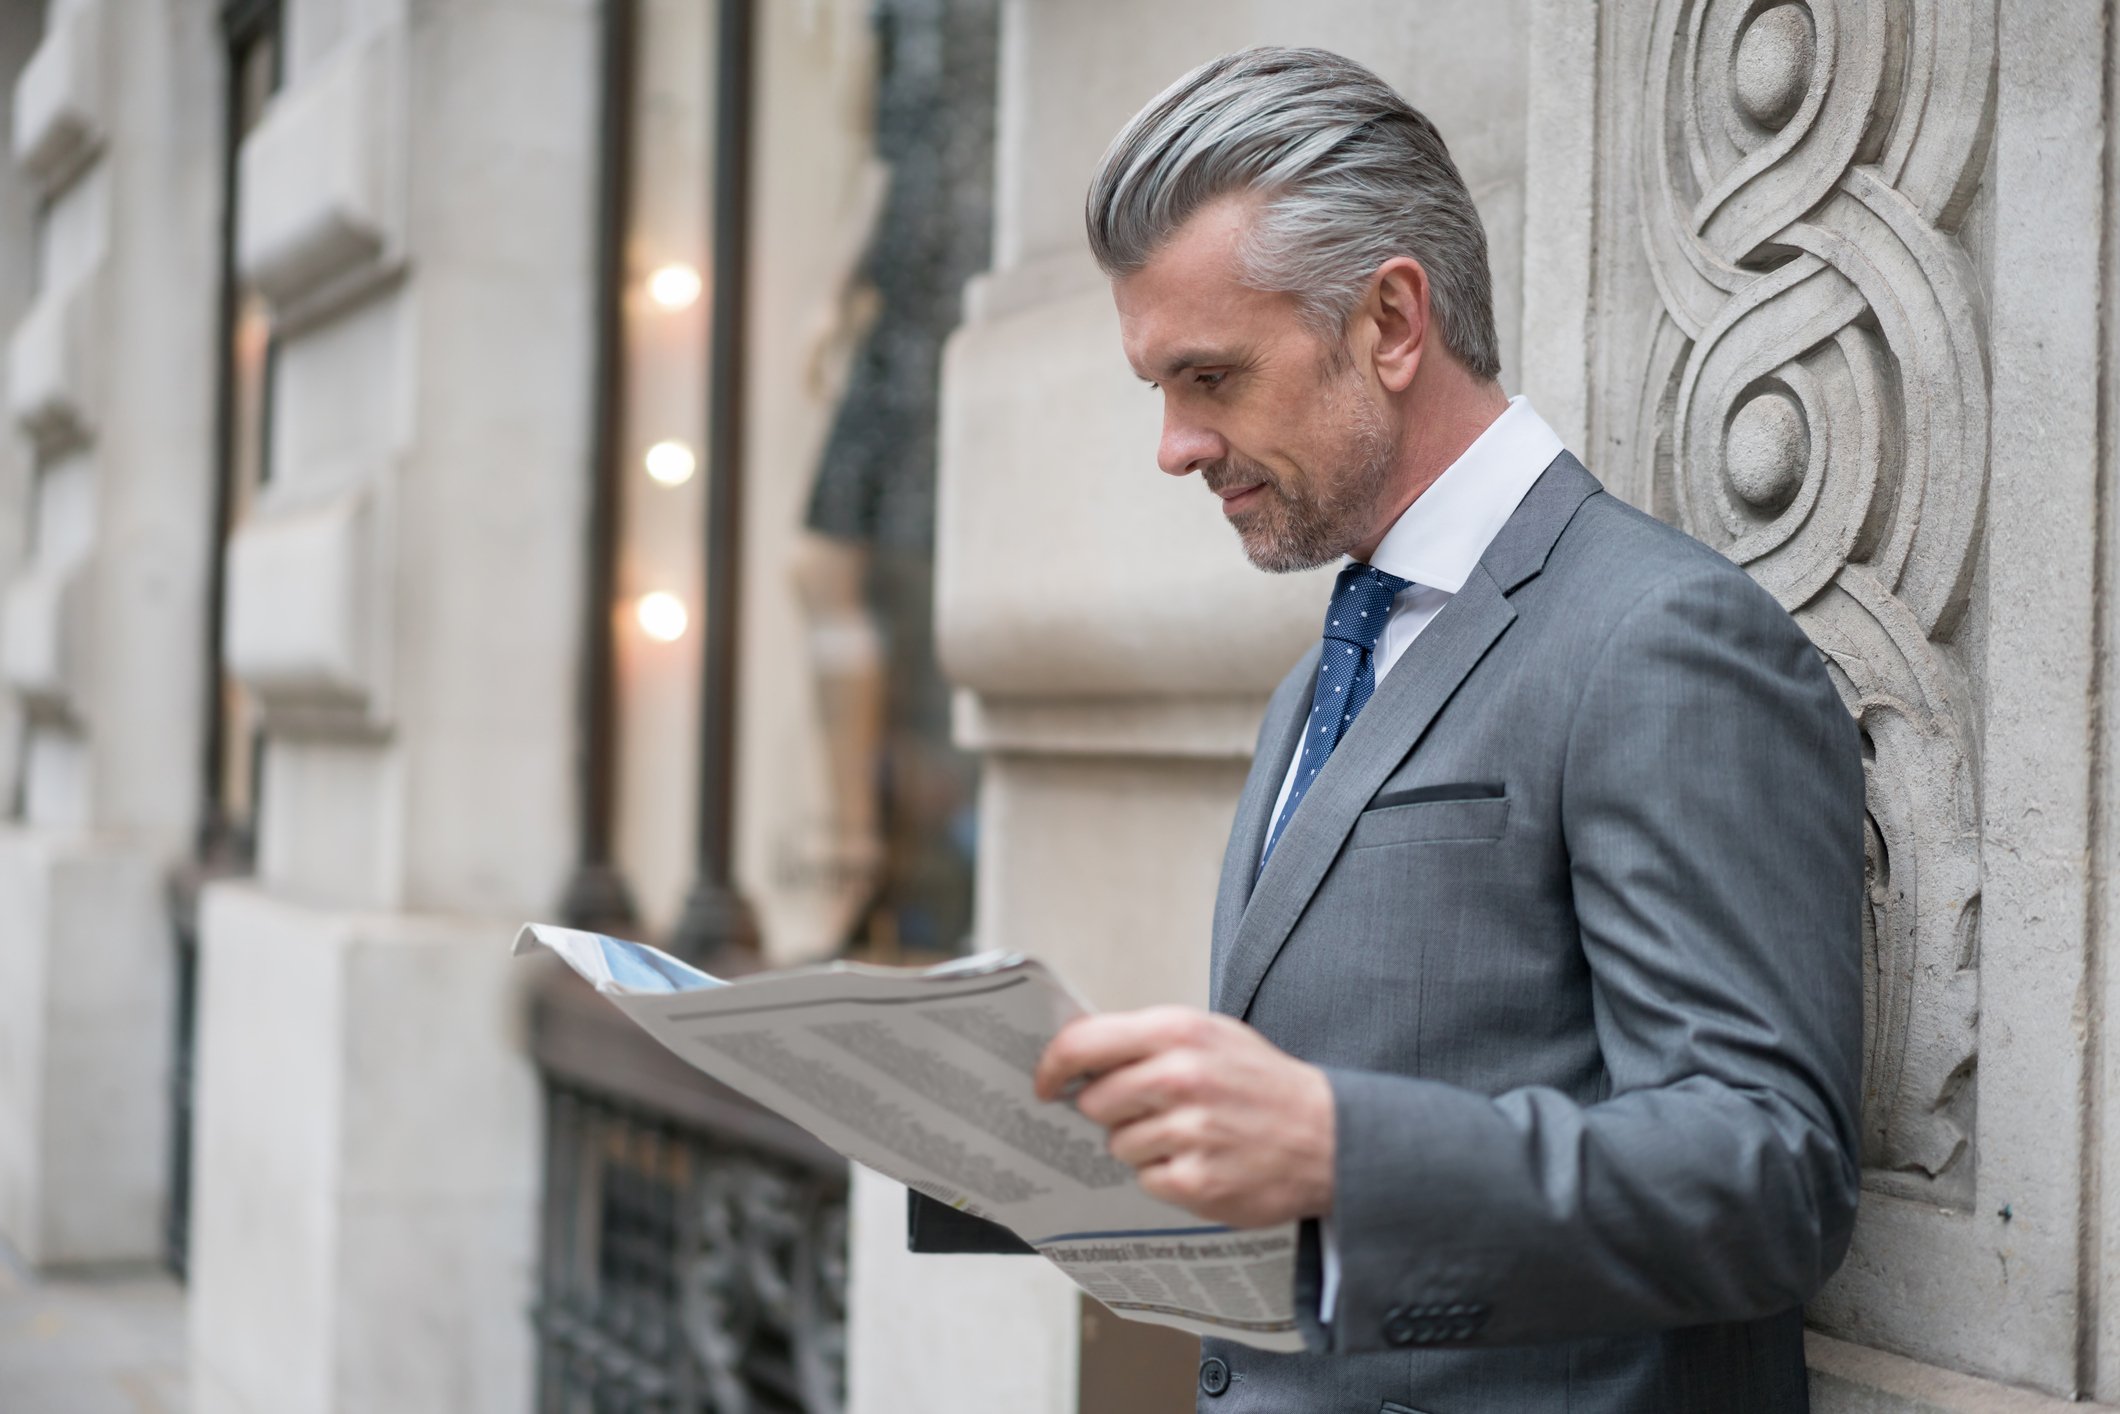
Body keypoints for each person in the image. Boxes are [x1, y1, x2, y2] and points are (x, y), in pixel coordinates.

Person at [918, 46, 1864, 1412]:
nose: (1176, 446)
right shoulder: (1318, 679)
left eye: (1213, 377)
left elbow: (1769, 1174)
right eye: (1160, 391)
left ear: (1392, 323)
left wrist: (1341, 1144)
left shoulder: (1659, 637)